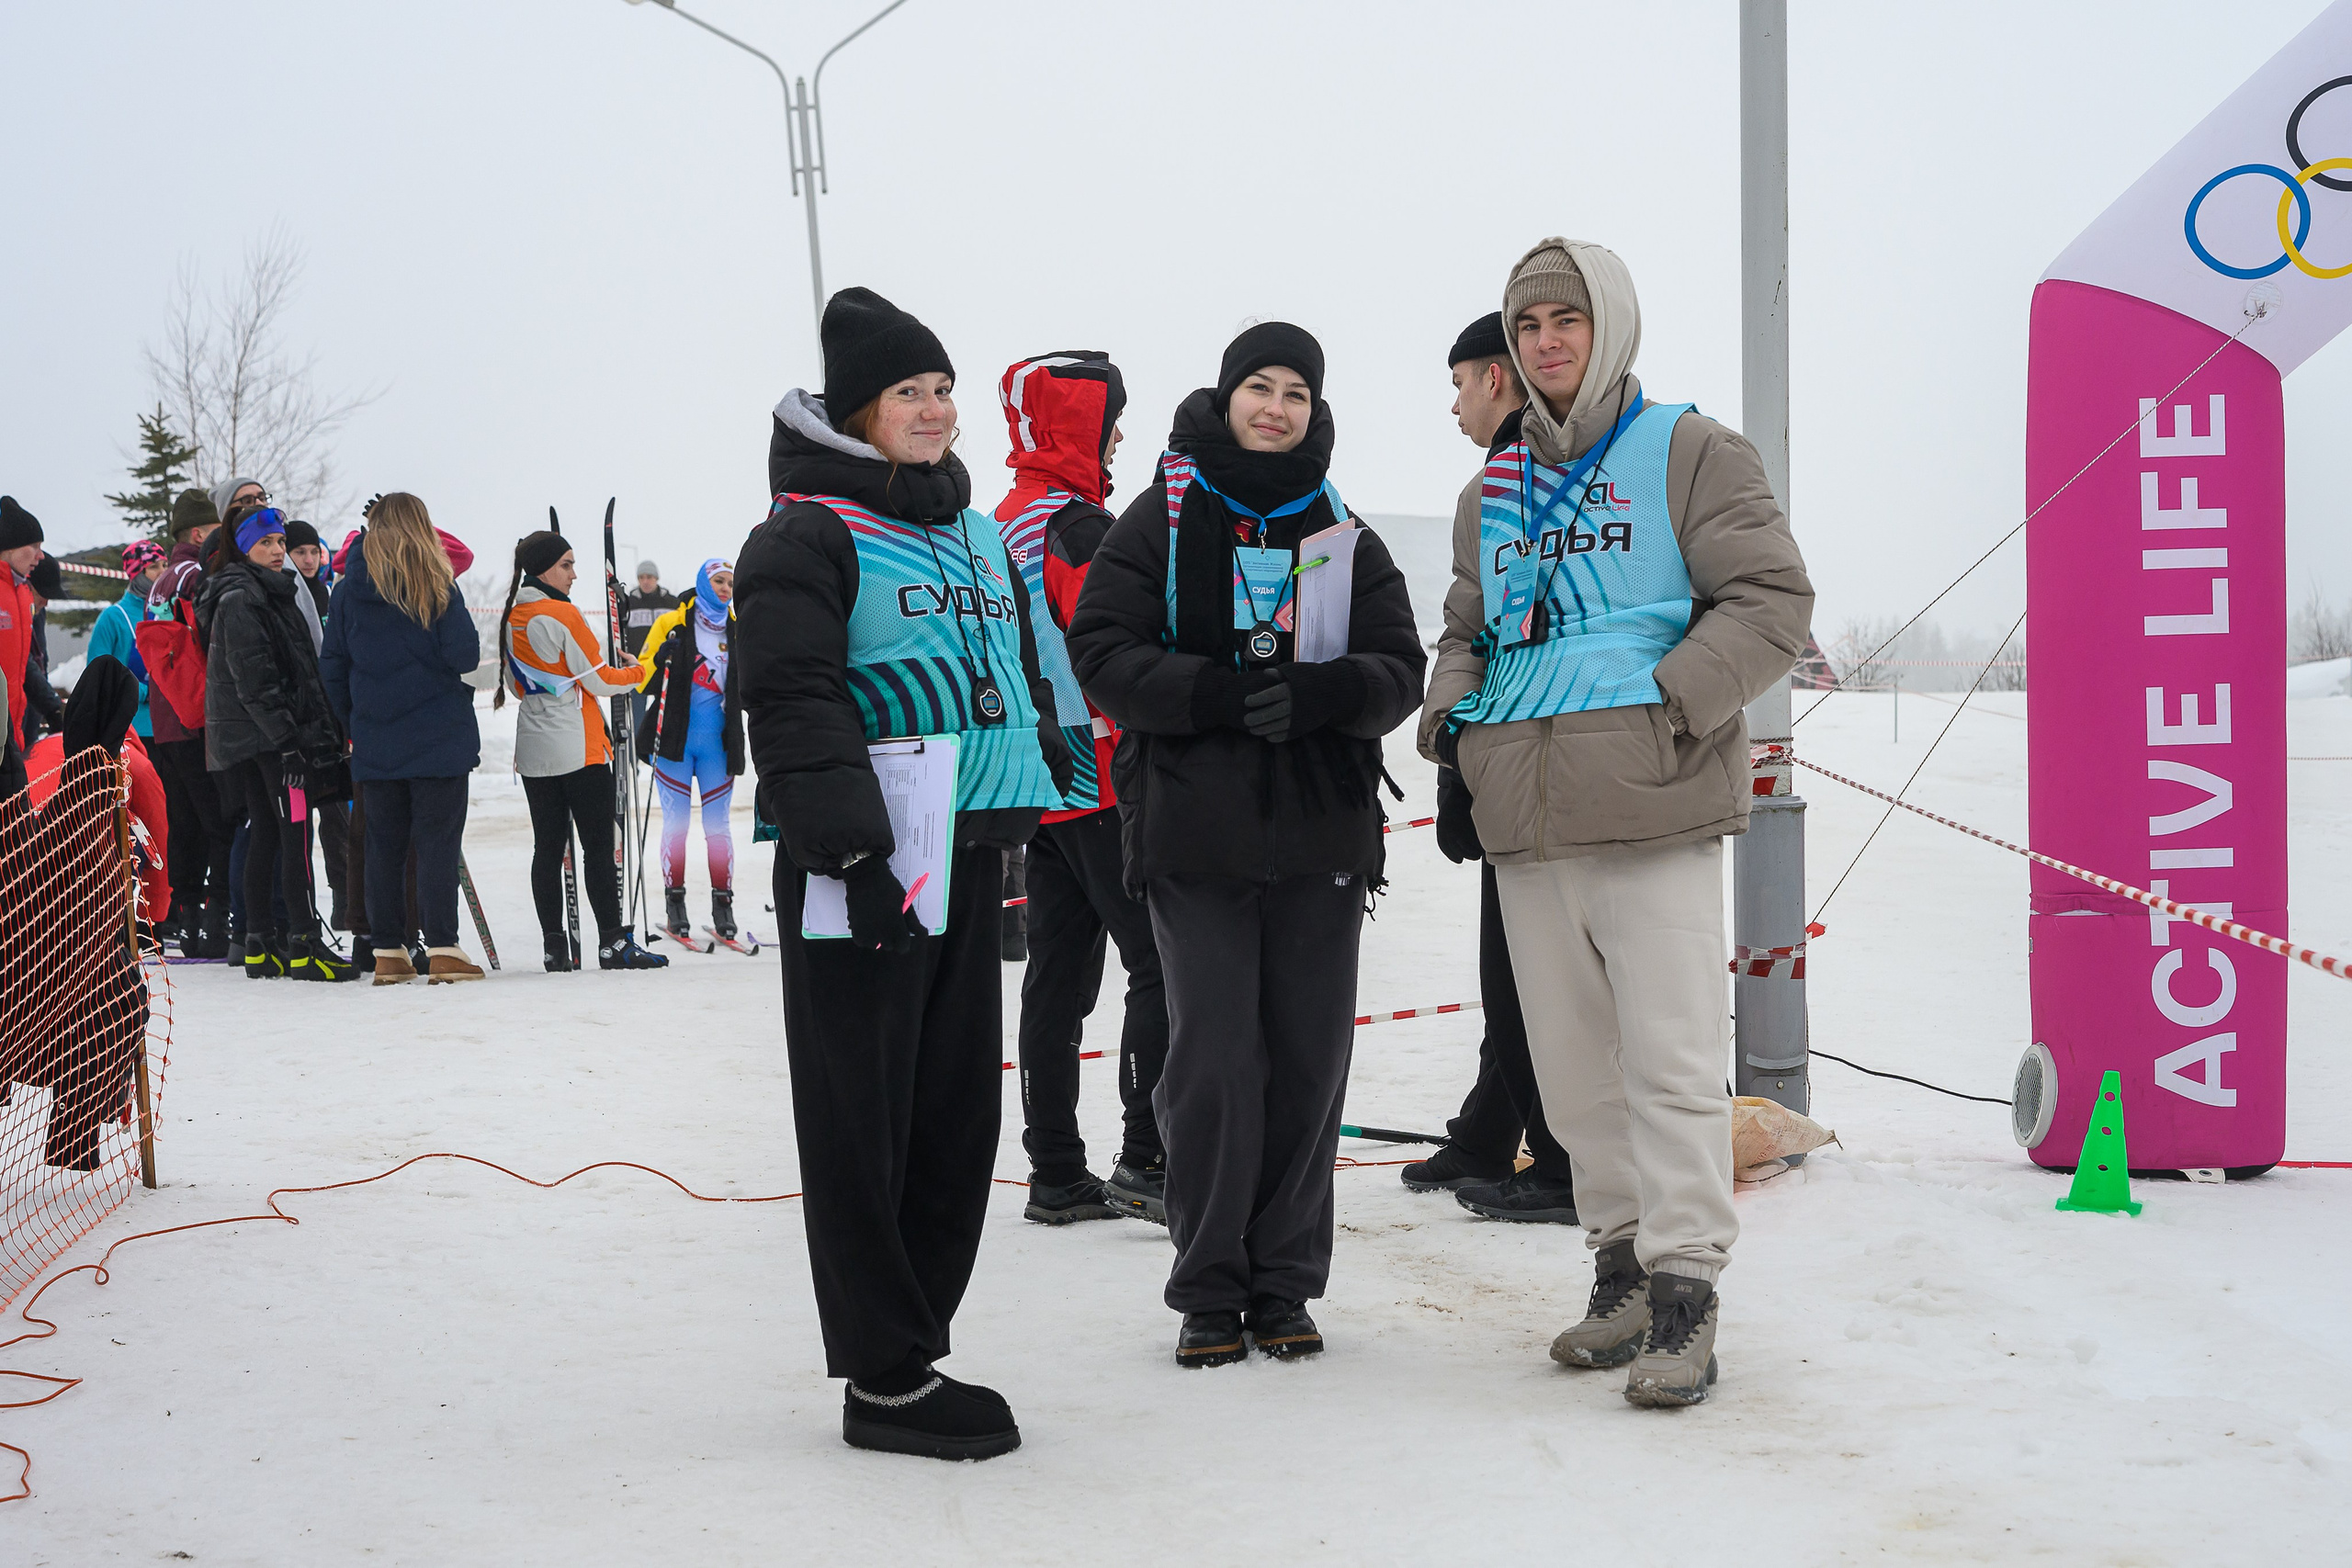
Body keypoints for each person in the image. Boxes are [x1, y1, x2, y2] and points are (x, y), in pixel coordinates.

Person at [1419, 239, 1813, 1407]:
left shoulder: (1687, 450)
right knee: (1574, 1076)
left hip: (1653, 808)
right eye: (1528, 323)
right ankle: (1621, 1268)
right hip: (1528, 823)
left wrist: (1671, 707)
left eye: (1568, 319)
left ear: (1611, 327)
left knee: (1672, 1064)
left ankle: (1686, 1286)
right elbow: (1465, 629)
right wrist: (1453, 732)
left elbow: (1771, 600)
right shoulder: (1489, 490)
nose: (1546, 341)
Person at [738, 287, 1069, 1461]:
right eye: (905, 393)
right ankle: (881, 1376)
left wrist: (1047, 780)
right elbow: (792, 701)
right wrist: (852, 853)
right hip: (863, 866)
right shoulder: (804, 535)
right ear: (855, 413)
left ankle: (915, 1346)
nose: (932, 410)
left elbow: (1021, 673)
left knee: (955, 1115)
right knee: (862, 1119)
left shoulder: (973, 530)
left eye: (942, 390)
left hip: (965, 850)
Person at [1066, 321, 1426, 1369]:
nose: (1276, 408)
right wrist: (1211, 696)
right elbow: (1100, 650)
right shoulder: (1163, 515)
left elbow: (1398, 665)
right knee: (1215, 1063)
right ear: (1226, 398)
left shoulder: (1340, 529)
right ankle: (1210, 1286)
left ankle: (1284, 1284)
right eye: (1259, 388)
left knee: (1309, 1065)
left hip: (1322, 839)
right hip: (1196, 838)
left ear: (1316, 412)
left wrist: (1328, 694)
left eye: (1296, 394)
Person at [1398, 313, 1578, 1226]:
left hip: (1550, 763)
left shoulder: (1525, 484)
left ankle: (1563, 1162)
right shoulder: (1508, 483)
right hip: (1515, 758)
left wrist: (1465, 755)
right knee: (1514, 968)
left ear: (1496, 380)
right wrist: (1457, 751)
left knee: (1528, 978)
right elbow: (1478, 633)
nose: (1455, 406)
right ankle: (1488, 1132)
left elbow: (1497, 635)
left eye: (1460, 384)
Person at [990, 350, 1173, 1227]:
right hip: (1100, 774)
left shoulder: (997, 521)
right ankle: (1147, 1154)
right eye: (1109, 422)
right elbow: (1112, 644)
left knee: (1055, 981)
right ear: (1077, 425)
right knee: (1161, 966)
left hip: (1038, 784)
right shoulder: (1075, 524)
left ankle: (1056, 1168)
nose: (1119, 438)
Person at [320, 493, 485, 985]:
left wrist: (355, 721)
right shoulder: (436, 581)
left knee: (382, 847)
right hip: (439, 736)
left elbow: (333, 666)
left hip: (376, 738)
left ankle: (388, 951)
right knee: (436, 845)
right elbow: (464, 655)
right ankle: (444, 948)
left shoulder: (347, 590)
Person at [193, 504, 362, 982]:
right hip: (270, 742)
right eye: (265, 542)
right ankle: (305, 944)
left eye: (280, 542)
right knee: (295, 835)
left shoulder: (264, 589)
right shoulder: (242, 597)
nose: (276, 551)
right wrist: (289, 742)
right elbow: (256, 682)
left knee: (267, 831)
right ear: (243, 546)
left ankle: (260, 943)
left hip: (259, 738)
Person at [496, 529, 667, 973]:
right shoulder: (562, 613)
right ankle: (613, 941)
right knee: (598, 846)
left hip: (534, 749)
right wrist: (639, 672)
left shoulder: (513, 615)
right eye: (566, 565)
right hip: (579, 747)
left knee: (547, 848)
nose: (574, 574)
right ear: (544, 569)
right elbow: (599, 680)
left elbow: (516, 686)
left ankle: (554, 946)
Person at [144, 488, 233, 955]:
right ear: (198, 534)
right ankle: (217, 922)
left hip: (165, 720)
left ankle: (186, 920)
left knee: (183, 823)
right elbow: (209, 641)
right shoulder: (197, 575)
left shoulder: (160, 581)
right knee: (219, 821)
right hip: (196, 716)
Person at [636, 558, 743, 944]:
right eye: (718, 581)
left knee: (718, 827)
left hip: (718, 747)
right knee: (677, 825)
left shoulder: (737, 628)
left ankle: (723, 906)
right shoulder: (673, 623)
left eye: (730, 583)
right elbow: (642, 681)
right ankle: (675, 905)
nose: (725, 589)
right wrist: (660, 657)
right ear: (702, 583)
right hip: (675, 745)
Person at [282, 518, 351, 927]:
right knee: (298, 826)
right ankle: (300, 916)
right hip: (298, 724)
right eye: (300, 552)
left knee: (339, 818)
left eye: (314, 552)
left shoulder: (327, 595)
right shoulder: (284, 596)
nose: (308, 560)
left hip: (333, 722)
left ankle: (345, 901)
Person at [88, 541, 168, 748]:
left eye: (165, 565)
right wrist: (146, 692)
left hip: (171, 728)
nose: (163, 572)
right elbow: (98, 675)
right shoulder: (113, 617)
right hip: (131, 730)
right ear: (137, 574)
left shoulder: (169, 612)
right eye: (154, 567)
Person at [1, 497, 46, 779]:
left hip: (12, 739)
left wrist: (52, 707)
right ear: (10, 546)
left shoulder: (22, 593)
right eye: (35, 546)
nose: (41, 556)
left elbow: (24, 661)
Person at [622, 560, 679, 743]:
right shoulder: (628, 603)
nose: (645, 581)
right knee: (637, 716)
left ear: (656, 578)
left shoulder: (671, 602)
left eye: (649, 577)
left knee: (663, 712)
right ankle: (638, 747)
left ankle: (662, 744)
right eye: (641, 577)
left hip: (664, 667)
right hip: (637, 668)